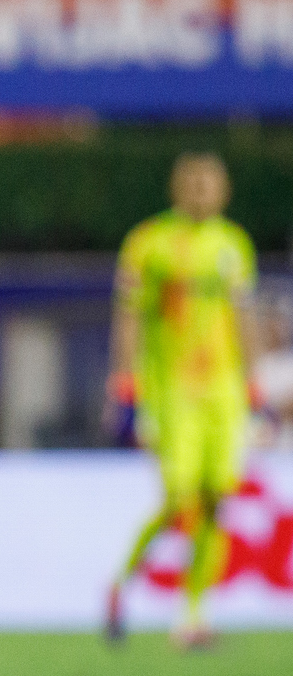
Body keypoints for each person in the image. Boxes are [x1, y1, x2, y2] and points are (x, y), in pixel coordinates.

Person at [104, 153, 259, 649]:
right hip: (171, 389)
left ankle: (192, 617)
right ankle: (119, 586)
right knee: (180, 502)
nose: (200, 192)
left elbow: (243, 316)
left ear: (224, 191)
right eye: (192, 183)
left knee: (217, 500)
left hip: (224, 390)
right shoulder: (148, 242)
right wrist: (124, 383)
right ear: (176, 188)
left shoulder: (233, 245)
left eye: (209, 184)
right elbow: (128, 316)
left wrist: (253, 382)